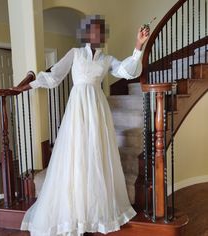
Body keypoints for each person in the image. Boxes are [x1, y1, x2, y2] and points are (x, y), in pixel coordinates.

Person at [15, 15, 150, 236]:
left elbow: (128, 71)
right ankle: (75, 209)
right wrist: (27, 85)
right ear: (86, 33)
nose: (96, 35)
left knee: (96, 153)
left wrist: (138, 45)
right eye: (92, 30)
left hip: (98, 110)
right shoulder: (75, 54)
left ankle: (95, 210)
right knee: (77, 153)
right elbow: (54, 75)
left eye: (100, 31)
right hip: (77, 109)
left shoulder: (106, 59)